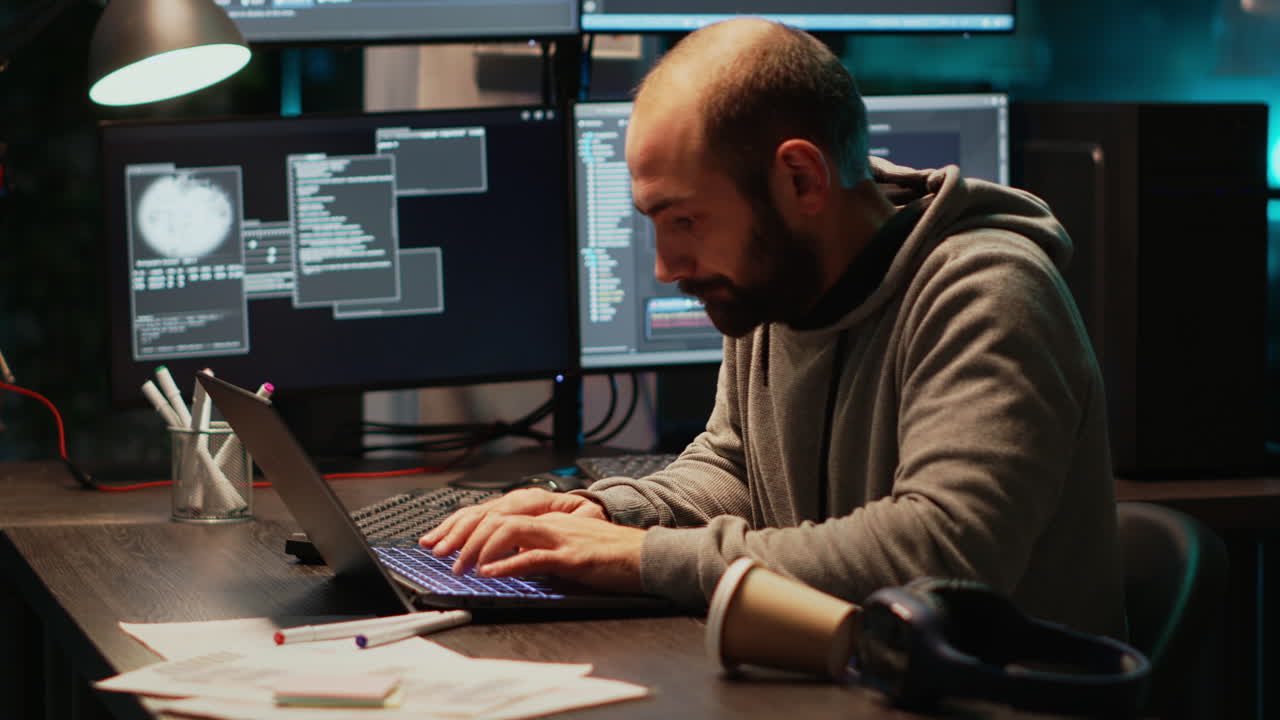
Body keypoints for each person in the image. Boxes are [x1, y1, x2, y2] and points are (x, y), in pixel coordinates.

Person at [421, 17, 1124, 638]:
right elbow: (735, 469)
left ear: (801, 181)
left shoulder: (987, 291)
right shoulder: (778, 283)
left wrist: (641, 560)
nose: (666, 267)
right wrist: (600, 514)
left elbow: (939, 554)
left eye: (686, 221)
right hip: (856, 682)